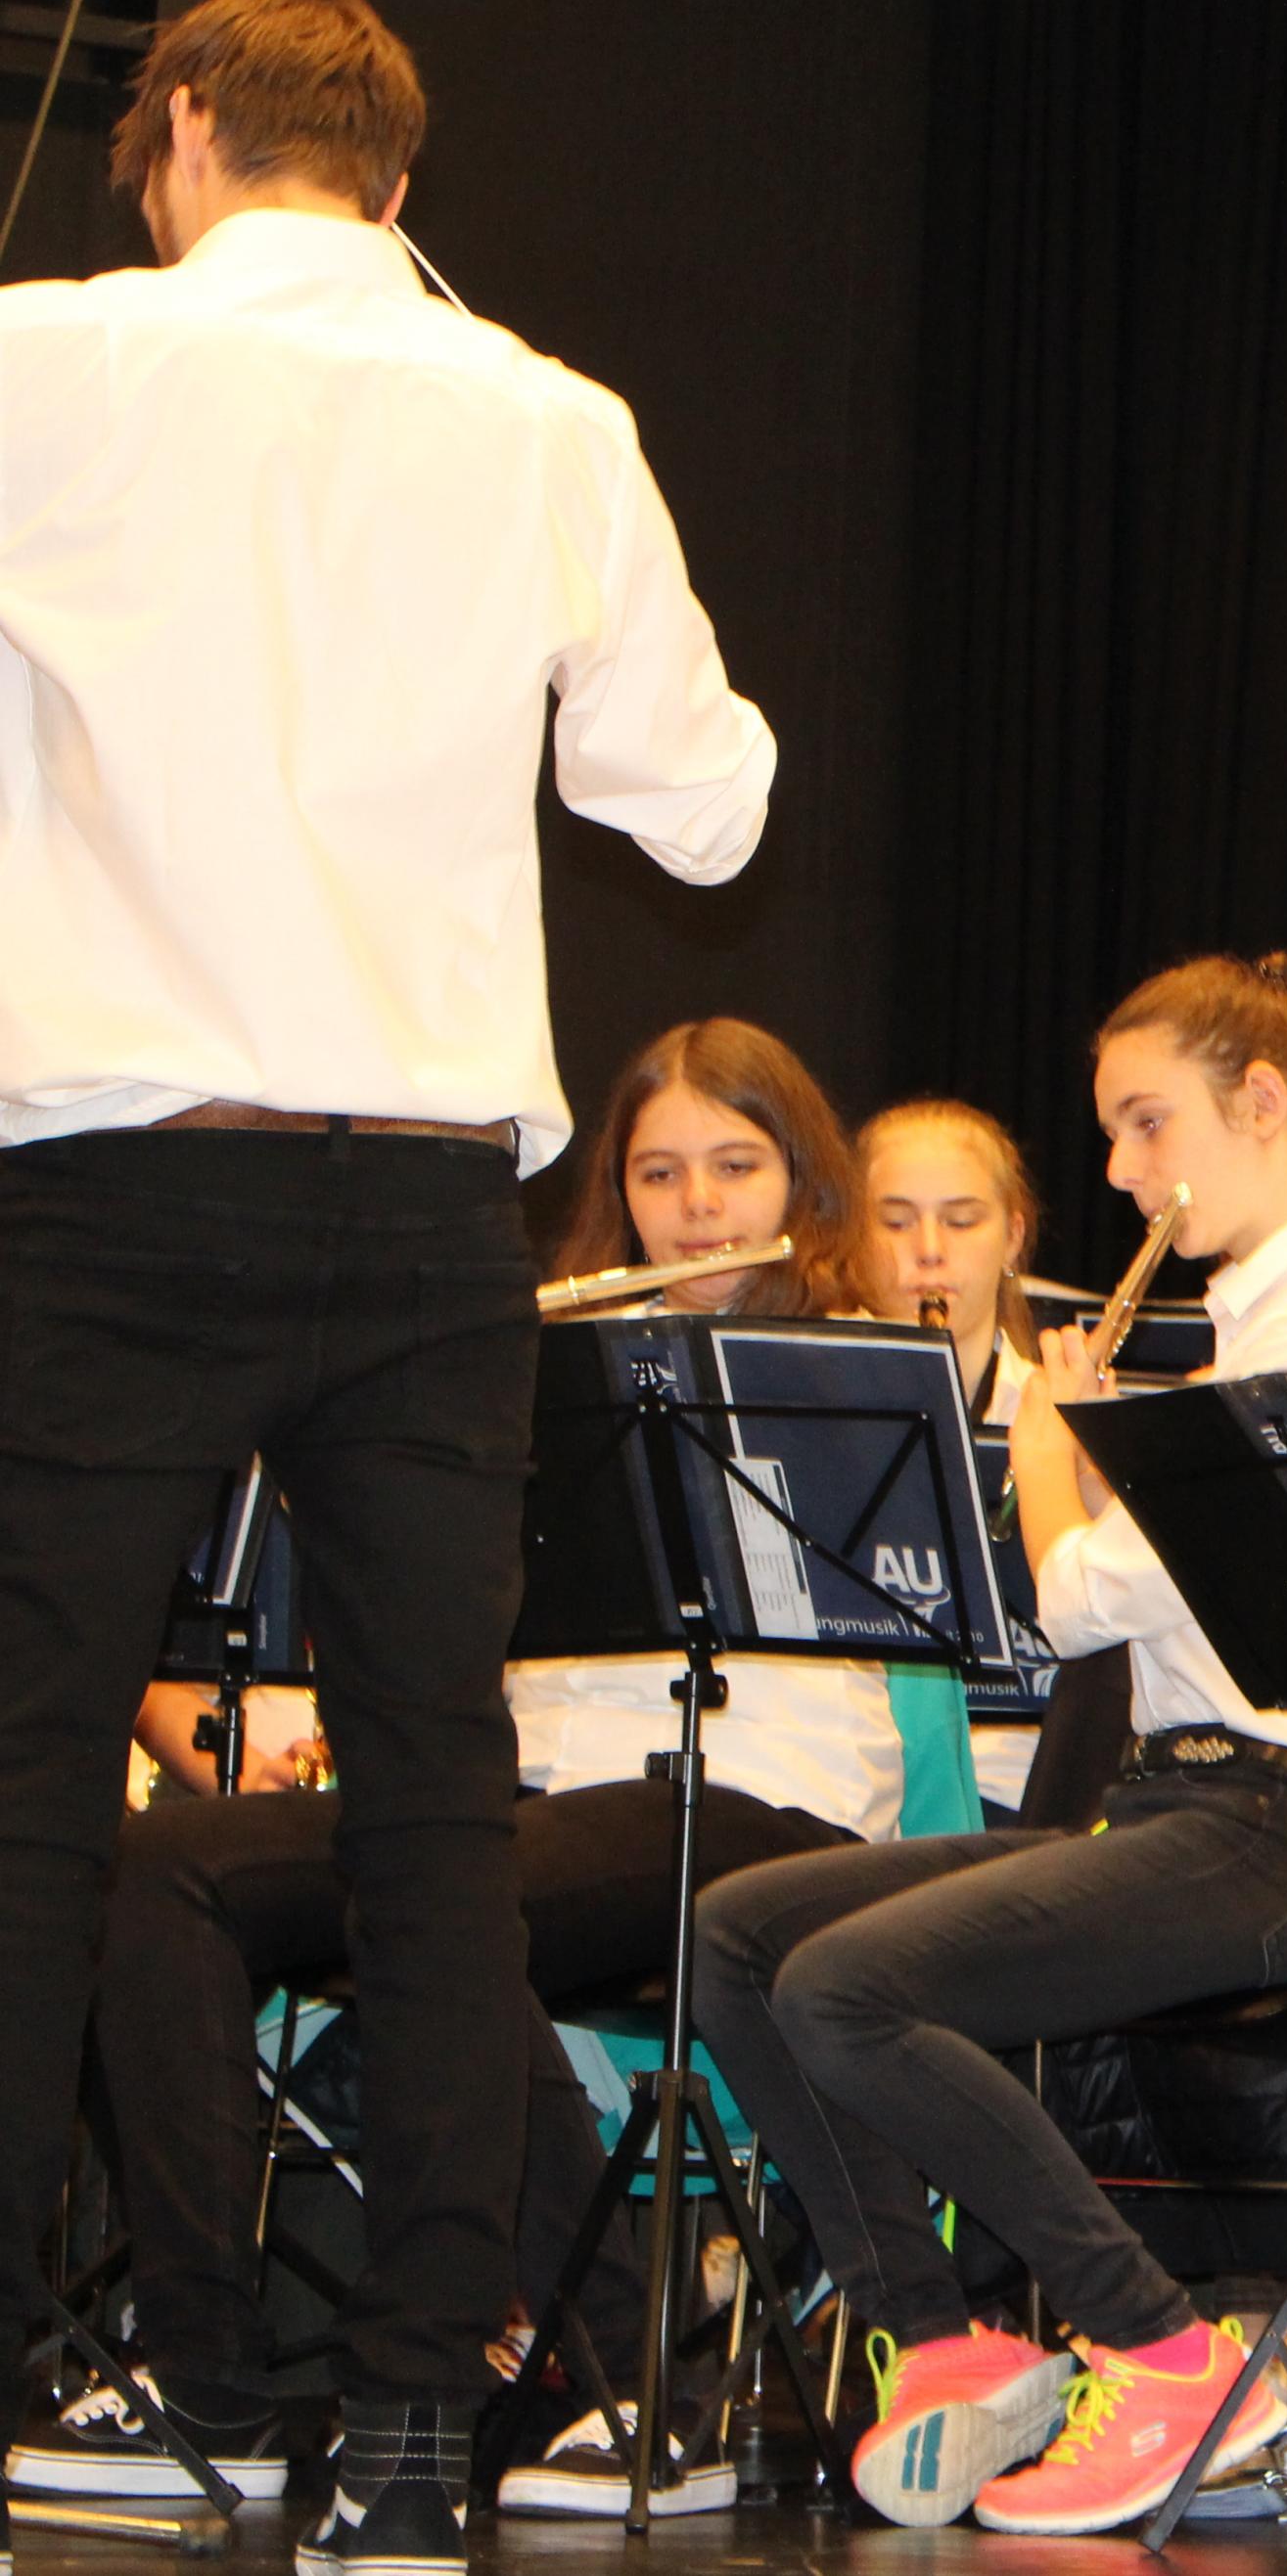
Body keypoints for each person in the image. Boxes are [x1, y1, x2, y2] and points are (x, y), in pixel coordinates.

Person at [0, 0, 773, 2568]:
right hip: (432, 1207)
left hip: (119, 1184)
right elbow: (705, 805)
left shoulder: (47, 365)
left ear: (180, 132)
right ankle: (424, 2418)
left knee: (25, 1798)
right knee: (438, 1816)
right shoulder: (546, 416)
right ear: (404, 186)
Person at [15, 1023, 876, 2523]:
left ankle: (621, 2363)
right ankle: (207, 2368)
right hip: (548, 1791)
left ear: (802, 1183)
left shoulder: (849, 1366)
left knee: (449, 1890)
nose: (697, 1207)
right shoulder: (519, 1354)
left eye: (736, 1167)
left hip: (758, 1795)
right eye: (658, 1172)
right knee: (169, 1869)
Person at [689, 953, 1287, 2538]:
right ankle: (944, 2340)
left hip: (1280, 1831)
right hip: (1188, 1810)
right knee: (739, 1937)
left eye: (1146, 1123)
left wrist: (1045, 1454)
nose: (1122, 1170)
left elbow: (1087, 1599)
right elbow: (1177, 1598)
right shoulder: (1256, 1322)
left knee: (846, 1986)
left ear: (1262, 1102)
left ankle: (1162, 2348)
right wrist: (1100, 1470)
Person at [850, 1101, 1049, 1820]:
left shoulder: (1058, 1413)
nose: (929, 1250)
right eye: (894, 1222)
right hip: (853, 1777)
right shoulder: (800, 1400)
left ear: (1013, 1238)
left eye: (962, 1221)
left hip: (1011, 1785)